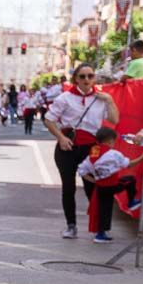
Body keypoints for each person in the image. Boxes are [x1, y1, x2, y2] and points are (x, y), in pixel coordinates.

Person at [44, 63, 121, 239]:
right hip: (68, 148)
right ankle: (71, 226)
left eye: (90, 76)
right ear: (75, 79)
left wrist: (109, 100)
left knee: (94, 188)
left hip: (92, 150)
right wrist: (61, 138)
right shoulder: (65, 98)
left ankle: (100, 229)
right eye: (82, 76)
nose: (87, 80)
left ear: (94, 78)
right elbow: (49, 120)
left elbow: (114, 119)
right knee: (68, 187)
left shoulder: (102, 99)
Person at [79, 126, 143, 242]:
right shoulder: (114, 154)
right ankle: (131, 201)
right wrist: (142, 157)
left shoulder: (93, 152)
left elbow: (82, 171)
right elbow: (128, 164)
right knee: (130, 179)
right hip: (111, 185)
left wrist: (94, 180)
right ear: (110, 141)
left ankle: (100, 234)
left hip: (100, 187)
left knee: (103, 209)